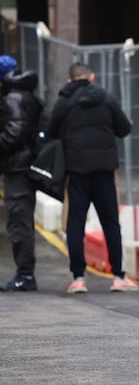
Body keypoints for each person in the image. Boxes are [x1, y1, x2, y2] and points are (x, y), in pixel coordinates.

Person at [46, 61, 139, 294]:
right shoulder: (106, 97)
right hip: (105, 171)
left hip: (77, 171)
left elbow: (50, 131)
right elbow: (124, 128)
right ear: (92, 77)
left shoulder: (65, 101)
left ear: (70, 80)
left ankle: (78, 278)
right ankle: (119, 276)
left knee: (75, 223)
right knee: (111, 223)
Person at [0, 55, 43, 292]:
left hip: (18, 168)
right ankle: (25, 273)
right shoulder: (25, 94)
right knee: (21, 221)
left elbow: (14, 131)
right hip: (25, 166)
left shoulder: (13, 98)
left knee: (19, 222)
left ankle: (25, 275)